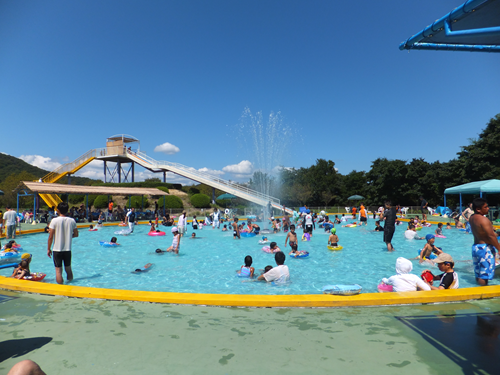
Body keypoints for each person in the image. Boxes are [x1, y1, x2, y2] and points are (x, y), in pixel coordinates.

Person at [469, 198, 500, 286]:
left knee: (478, 273)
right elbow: (491, 236)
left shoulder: (472, 218)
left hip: (476, 247)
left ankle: (478, 290)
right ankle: (483, 295)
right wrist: (499, 249)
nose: (488, 208)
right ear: (478, 209)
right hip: (485, 248)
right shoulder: (484, 220)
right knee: (484, 275)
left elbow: (482, 234)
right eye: (485, 207)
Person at [47, 202, 79, 284]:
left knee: (58, 271)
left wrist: (48, 249)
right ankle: (71, 285)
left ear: (58, 210)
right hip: (67, 249)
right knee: (68, 269)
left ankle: (61, 289)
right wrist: (68, 236)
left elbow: (51, 236)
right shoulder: (72, 220)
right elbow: (76, 234)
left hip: (57, 249)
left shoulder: (54, 220)